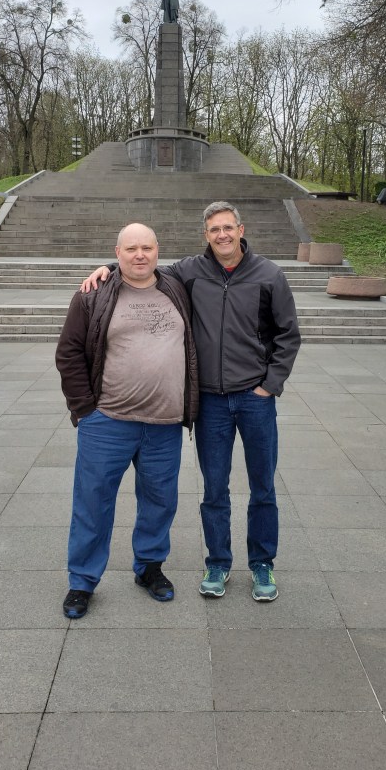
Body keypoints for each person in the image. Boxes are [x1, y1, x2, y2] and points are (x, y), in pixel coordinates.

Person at [80, 202, 301, 603]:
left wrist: (270, 385)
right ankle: (217, 562)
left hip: (255, 398)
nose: (222, 235)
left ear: (241, 230)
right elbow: (143, 265)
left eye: (228, 227)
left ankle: (261, 563)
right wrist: (107, 268)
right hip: (211, 402)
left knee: (263, 486)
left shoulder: (269, 275)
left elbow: (288, 335)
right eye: (214, 229)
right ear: (206, 234)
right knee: (214, 489)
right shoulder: (190, 271)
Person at [56, 222, 198, 619]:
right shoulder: (93, 294)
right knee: (93, 502)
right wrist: (85, 409)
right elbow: (68, 352)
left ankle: (149, 567)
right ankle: (82, 581)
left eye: (147, 248)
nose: (140, 255)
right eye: (131, 248)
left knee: (160, 501)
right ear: (117, 252)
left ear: (158, 250)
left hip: (164, 423)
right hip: (108, 422)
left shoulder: (177, 288)